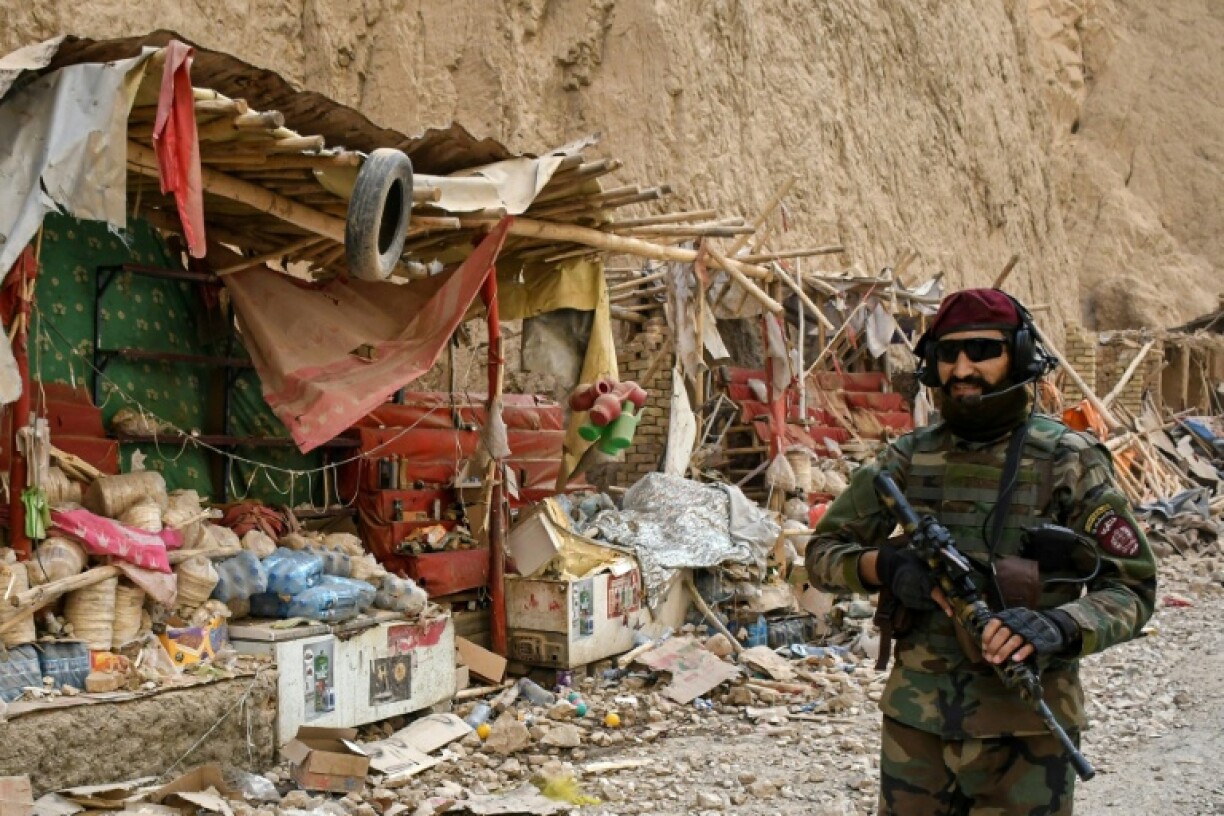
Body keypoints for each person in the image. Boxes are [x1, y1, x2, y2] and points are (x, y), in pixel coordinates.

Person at [805, 288, 1156, 815]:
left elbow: (1133, 587)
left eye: (983, 351)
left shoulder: (1068, 460)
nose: (962, 368)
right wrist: (885, 566)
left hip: (1028, 731)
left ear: (1021, 354)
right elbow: (822, 555)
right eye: (948, 353)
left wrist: (1059, 625)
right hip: (918, 727)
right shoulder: (907, 458)